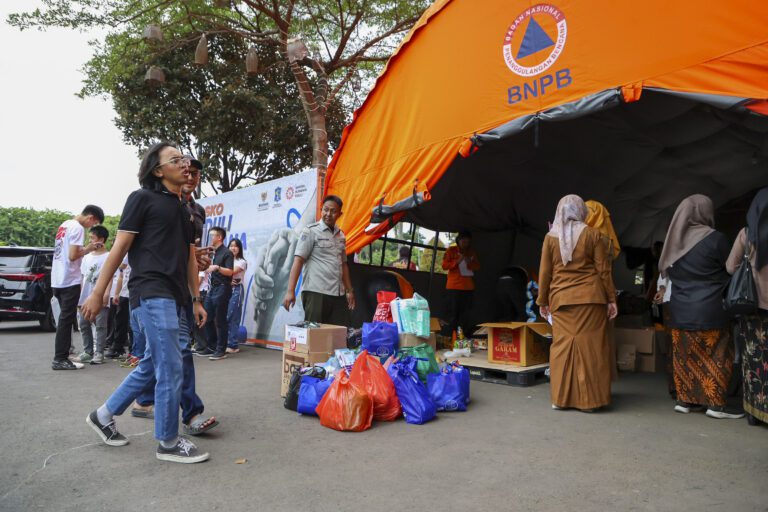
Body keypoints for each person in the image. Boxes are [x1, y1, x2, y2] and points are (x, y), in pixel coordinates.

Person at [82, 142, 210, 463]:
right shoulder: (141, 199)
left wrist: (195, 299)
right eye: (176, 159)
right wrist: (99, 292)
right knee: (170, 366)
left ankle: (103, 414)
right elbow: (120, 247)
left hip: (177, 297)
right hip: (151, 292)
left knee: (155, 364)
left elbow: (189, 261)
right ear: (157, 170)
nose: (185, 164)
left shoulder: (183, 210)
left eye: (185, 159)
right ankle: (167, 441)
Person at [130, 157, 220, 436]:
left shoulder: (195, 210)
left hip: (181, 289)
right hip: (153, 291)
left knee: (163, 354)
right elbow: (133, 245)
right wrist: (99, 292)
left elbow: (188, 252)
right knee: (173, 352)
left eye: (195, 174)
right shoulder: (149, 201)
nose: (190, 176)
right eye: (186, 170)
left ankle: (137, 405)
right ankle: (186, 416)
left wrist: (197, 265)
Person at [659, 194, 742, 419]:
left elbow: (669, 272)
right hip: (710, 308)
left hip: (679, 309)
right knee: (718, 355)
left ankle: (685, 401)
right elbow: (730, 269)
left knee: (685, 357)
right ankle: (715, 405)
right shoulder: (716, 239)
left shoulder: (673, 242)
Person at [537, 195, 617, 412]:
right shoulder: (593, 235)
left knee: (562, 348)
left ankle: (560, 399)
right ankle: (590, 402)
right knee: (591, 349)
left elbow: (545, 273)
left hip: (562, 301)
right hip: (591, 300)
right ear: (581, 211)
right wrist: (612, 299)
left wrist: (542, 301)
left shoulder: (550, 237)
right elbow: (604, 270)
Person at [726, 188, 768, 425]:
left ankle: (755, 412)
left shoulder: (746, 234)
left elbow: (731, 267)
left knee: (753, 360)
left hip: (753, 309)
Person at [283, 195, 355, 324]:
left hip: (338, 294)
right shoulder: (310, 231)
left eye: (333, 211)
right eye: (325, 210)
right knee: (314, 335)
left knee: (336, 336)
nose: (328, 214)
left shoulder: (341, 235)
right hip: (316, 293)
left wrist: (349, 291)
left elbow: (343, 265)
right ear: (321, 210)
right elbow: (298, 261)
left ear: (339, 214)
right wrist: (290, 291)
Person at [51, 204, 105, 370]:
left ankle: (64, 356)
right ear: (90, 218)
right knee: (66, 321)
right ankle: (60, 358)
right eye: (93, 224)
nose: (91, 228)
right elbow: (73, 255)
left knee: (64, 320)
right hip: (69, 280)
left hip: (57, 279)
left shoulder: (65, 225)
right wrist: (88, 248)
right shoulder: (78, 228)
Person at [585, 199, 621, 382]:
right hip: (603, 291)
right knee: (603, 339)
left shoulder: (587, 237)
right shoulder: (607, 239)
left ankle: (590, 380)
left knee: (589, 341)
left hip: (589, 294)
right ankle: (604, 378)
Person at [76, 225, 111, 364]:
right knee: (84, 324)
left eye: (92, 238)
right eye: (89, 238)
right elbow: (82, 277)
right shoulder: (87, 257)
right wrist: (80, 296)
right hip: (85, 296)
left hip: (100, 296)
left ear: (101, 239)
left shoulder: (108, 256)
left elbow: (109, 277)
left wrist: (107, 293)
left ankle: (99, 353)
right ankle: (87, 351)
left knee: (101, 325)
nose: (90, 241)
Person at [199, 226, 234, 360]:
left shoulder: (227, 252)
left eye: (212, 235)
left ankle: (221, 350)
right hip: (212, 288)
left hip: (223, 287)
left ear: (219, 237)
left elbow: (230, 271)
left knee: (220, 320)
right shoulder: (213, 253)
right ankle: (212, 346)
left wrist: (217, 268)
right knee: (206, 317)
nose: (210, 238)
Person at [442, 232, 480, 338]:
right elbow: (444, 266)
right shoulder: (451, 250)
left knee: (466, 314)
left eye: (467, 242)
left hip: (468, 287)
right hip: (453, 286)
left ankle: (463, 336)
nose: (465, 244)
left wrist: (469, 262)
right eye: (463, 241)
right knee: (453, 314)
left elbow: (477, 266)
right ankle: (451, 336)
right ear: (458, 240)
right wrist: (457, 262)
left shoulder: (471, 252)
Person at [105, 257, 131, 359]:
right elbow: (121, 274)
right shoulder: (126, 255)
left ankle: (134, 350)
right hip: (124, 293)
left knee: (133, 325)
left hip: (135, 292)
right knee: (120, 321)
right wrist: (116, 293)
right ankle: (117, 347)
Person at [226, 238, 247, 354]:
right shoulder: (226, 261)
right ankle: (227, 343)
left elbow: (230, 272)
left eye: (235, 246)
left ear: (239, 248)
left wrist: (219, 270)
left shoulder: (241, 261)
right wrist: (227, 281)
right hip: (226, 289)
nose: (233, 248)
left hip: (237, 290)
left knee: (233, 316)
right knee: (225, 316)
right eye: (231, 246)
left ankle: (233, 345)